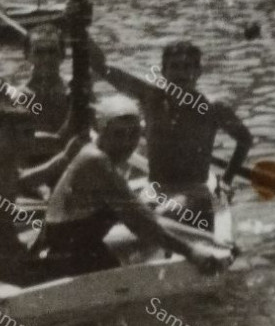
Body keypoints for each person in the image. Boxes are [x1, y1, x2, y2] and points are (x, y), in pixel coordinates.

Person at [36, 95, 232, 277]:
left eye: (133, 134)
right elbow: (142, 226)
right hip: (71, 261)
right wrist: (193, 252)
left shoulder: (101, 157)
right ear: (101, 131)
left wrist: (208, 238)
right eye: (118, 134)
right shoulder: (95, 161)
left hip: (82, 248)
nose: (127, 142)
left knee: (179, 210)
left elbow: (148, 218)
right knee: (166, 227)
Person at [93, 39, 253, 230]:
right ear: (164, 73)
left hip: (193, 192)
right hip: (154, 190)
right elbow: (102, 68)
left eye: (187, 67)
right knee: (103, 215)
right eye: (175, 67)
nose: (181, 74)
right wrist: (77, 27)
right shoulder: (150, 98)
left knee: (158, 216)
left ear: (198, 72)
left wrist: (226, 182)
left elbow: (245, 139)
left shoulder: (213, 108)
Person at [0, 104, 81, 285]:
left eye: (29, 133)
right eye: (17, 134)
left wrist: (64, 157)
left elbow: (21, 181)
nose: (27, 141)